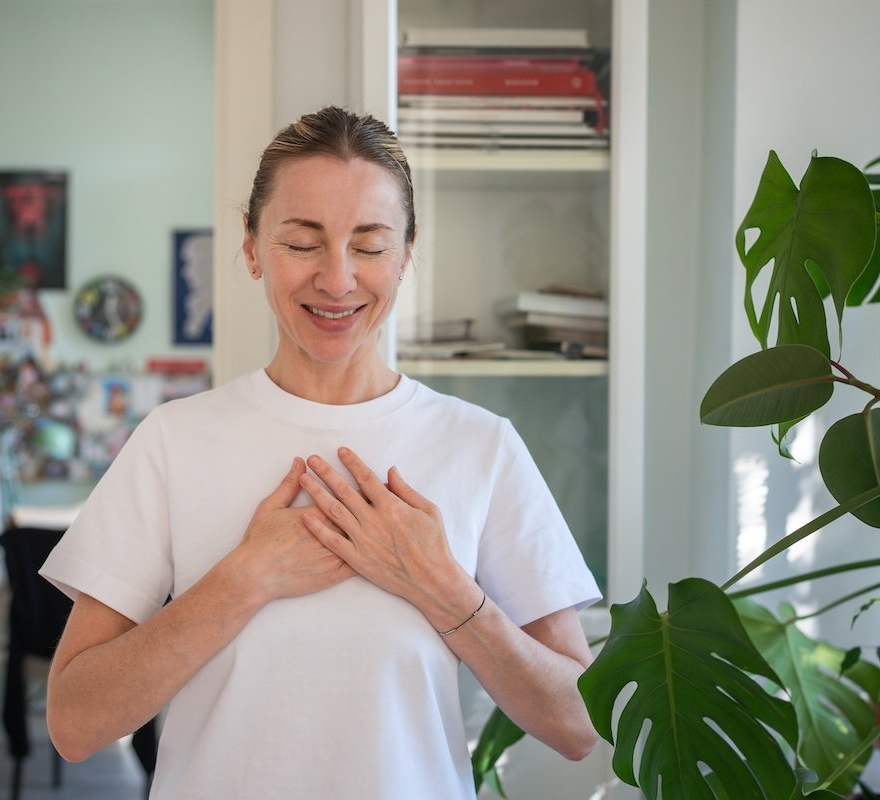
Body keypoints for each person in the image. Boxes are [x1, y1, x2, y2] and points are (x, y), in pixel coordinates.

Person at [40, 105, 601, 799]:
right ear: (252, 248)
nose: (337, 280)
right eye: (303, 243)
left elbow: (578, 725)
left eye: (370, 246)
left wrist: (441, 586)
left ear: (406, 253)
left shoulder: (481, 446)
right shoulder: (172, 441)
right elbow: (75, 723)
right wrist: (244, 579)